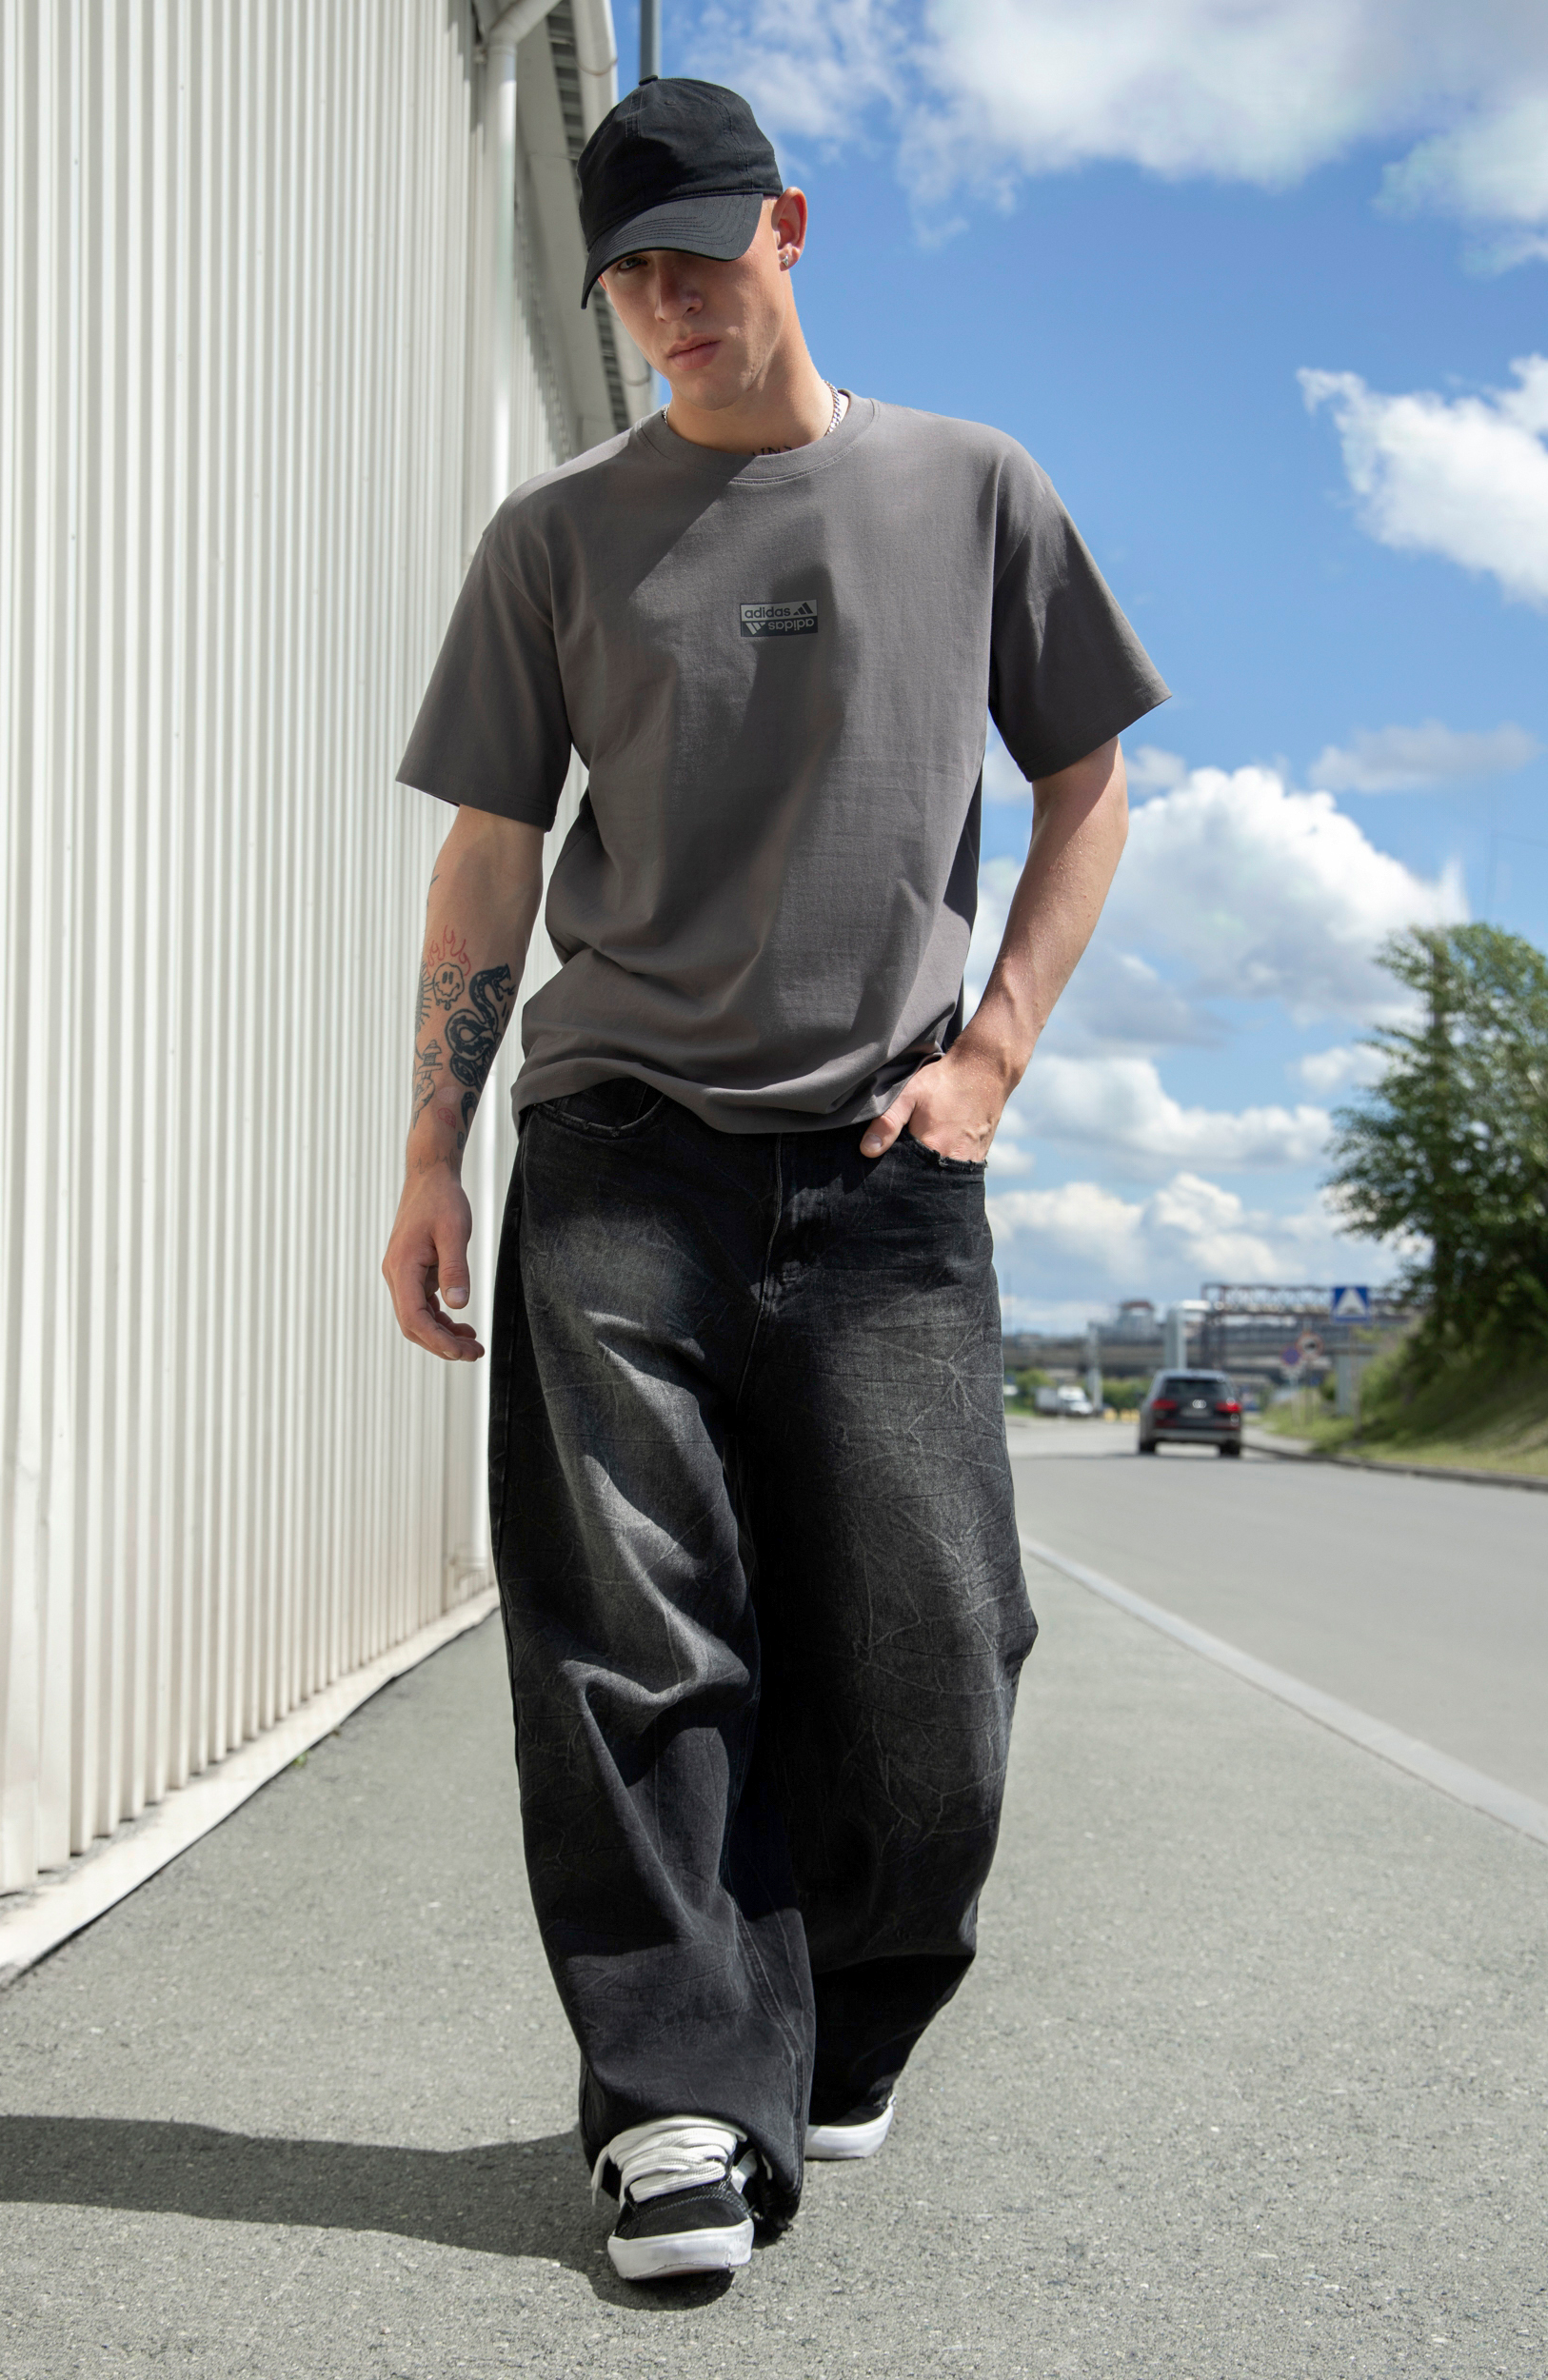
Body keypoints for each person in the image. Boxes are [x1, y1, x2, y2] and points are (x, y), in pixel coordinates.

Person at [383, 76, 1167, 2285]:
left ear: (789, 227)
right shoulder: (554, 538)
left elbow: (1088, 780)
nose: (666, 304)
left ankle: (837, 2004)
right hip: (619, 1150)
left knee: (938, 1657)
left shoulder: (970, 488)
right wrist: (430, 1148)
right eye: (626, 276)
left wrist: (991, 1053)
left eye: (697, 255)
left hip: (886, 1162)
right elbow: (488, 854)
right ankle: (671, 2097)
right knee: (632, 1647)